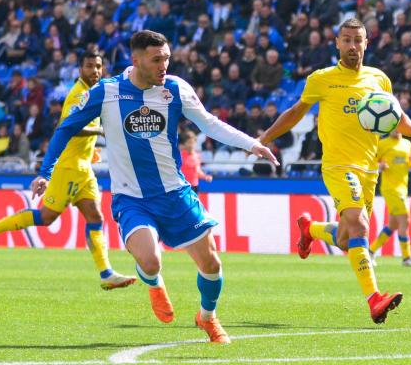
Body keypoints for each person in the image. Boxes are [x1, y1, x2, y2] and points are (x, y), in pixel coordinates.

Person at [29, 30, 277, 343]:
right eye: (156, 59)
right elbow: (66, 129)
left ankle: (207, 317)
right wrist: (46, 172)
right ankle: (155, 283)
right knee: (150, 260)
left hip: (175, 193)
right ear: (135, 60)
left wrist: (252, 144)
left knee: (212, 263)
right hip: (132, 197)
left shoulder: (174, 88)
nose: (164, 65)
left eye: (167, 59)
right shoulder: (106, 92)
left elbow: (209, 124)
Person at [258, 18, 411, 324]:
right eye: (346, 40)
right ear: (337, 43)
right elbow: (296, 112)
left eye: (358, 40)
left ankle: (310, 229)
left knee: (346, 237)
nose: (352, 46)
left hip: (369, 169)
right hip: (338, 166)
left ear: (366, 43)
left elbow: (394, 116)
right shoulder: (322, 79)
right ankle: (375, 299)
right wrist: (263, 139)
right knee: (360, 224)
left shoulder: (379, 79)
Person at [0, 49, 136, 291]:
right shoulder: (78, 95)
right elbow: (69, 128)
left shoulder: (94, 93)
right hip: (68, 167)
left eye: (98, 66)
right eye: (90, 66)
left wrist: (91, 150)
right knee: (46, 217)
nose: (95, 71)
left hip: (83, 168)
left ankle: (106, 273)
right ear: (80, 69)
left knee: (95, 217)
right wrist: (101, 133)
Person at [369, 131, 411, 267]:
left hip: (403, 188)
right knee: (405, 219)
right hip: (391, 189)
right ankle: (407, 257)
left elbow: (408, 163)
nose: (396, 129)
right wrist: (379, 167)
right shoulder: (382, 143)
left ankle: (370, 251)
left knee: (393, 225)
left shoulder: (407, 143)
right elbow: (370, 163)